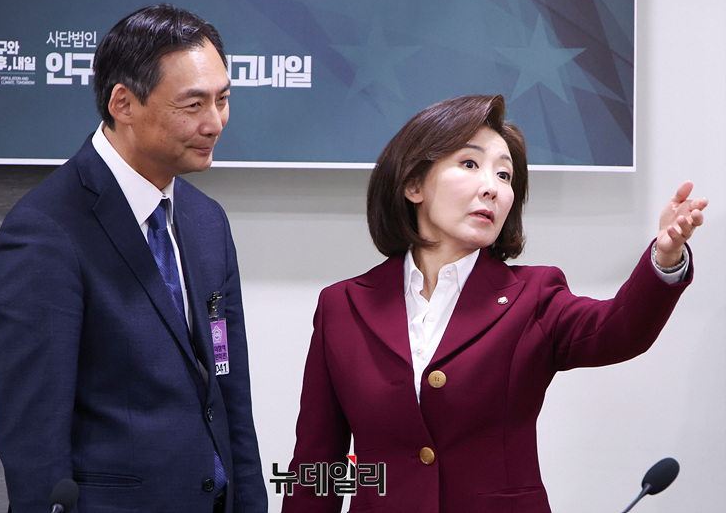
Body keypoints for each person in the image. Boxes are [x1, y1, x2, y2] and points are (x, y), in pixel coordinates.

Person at [282, 95, 707, 512]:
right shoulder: (342, 306)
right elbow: (316, 464)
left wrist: (665, 257)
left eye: (505, 176)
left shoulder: (534, 295)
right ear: (414, 185)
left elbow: (619, 330)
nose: (492, 188)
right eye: (470, 164)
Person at [0, 4, 267, 513]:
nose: (214, 123)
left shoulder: (207, 221)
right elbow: (33, 438)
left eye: (223, 100)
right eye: (193, 104)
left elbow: (229, 391)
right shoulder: (45, 232)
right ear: (123, 103)